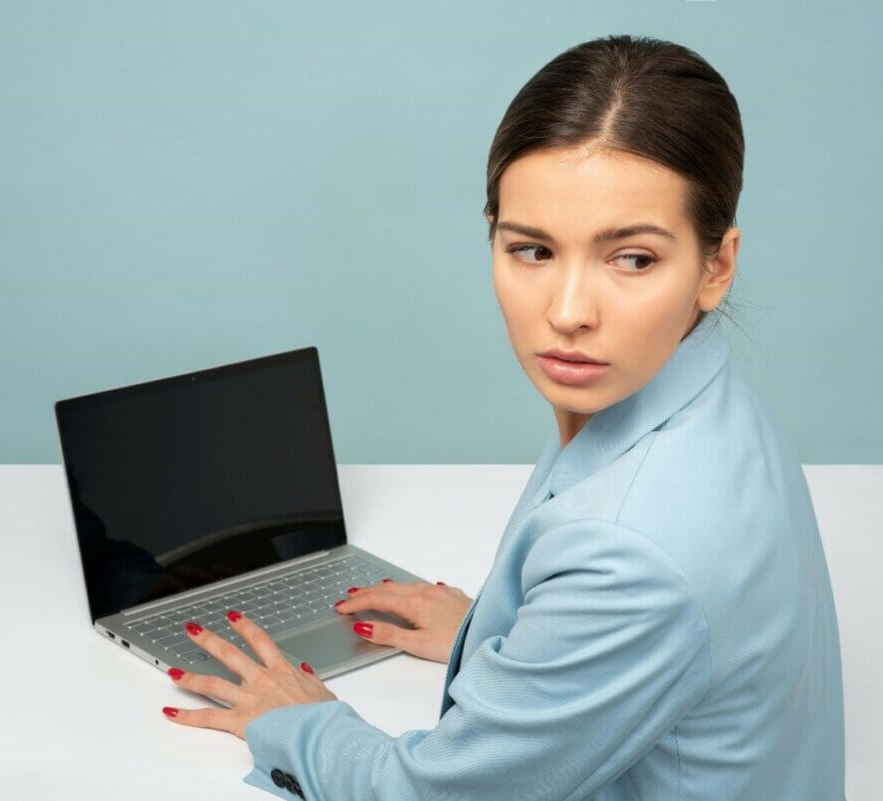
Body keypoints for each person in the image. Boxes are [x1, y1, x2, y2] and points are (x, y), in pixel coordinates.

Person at [159, 34, 846, 800]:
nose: (569, 312)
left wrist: (302, 719)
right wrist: (494, 638)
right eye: (532, 250)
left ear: (716, 265)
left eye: (633, 258)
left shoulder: (628, 555)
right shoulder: (701, 396)